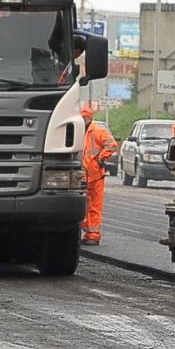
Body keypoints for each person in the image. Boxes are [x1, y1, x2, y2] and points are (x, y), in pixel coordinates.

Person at [79, 102, 118, 244]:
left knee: (94, 205)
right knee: (82, 204)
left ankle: (93, 234)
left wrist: (101, 158)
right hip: (81, 175)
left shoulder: (97, 131)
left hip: (94, 175)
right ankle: (85, 230)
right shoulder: (78, 131)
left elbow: (112, 145)